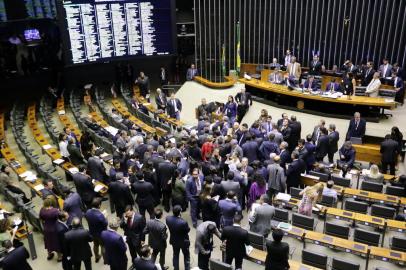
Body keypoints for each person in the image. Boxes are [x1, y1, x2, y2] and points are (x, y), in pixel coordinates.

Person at [166, 205, 191, 270]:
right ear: (180, 212)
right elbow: (187, 230)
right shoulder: (183, 222)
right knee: (186, 256)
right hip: (184, 242)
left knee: (175, 255)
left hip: (174, 240)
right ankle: (187, 268)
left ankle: (176, 268)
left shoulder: (168, 219)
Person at [85, 197, 107, 263]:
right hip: (101, 233)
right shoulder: (100, 215)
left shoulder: (88, 212)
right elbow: (105, 224)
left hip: (92, 232)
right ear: (99, 205)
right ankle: (105, 260)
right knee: (103, 246)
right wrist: (105, 217)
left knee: (95, 245)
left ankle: (97, 257)